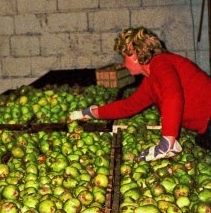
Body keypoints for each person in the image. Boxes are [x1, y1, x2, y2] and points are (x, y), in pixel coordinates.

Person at [68, 26, 211, 161]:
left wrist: (167, 141)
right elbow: (128, 106)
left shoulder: (161, 63)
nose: (124, 64)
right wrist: (89, 113)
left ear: (133, 56)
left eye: (124, 58)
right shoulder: (151, 81)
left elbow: (172, 96)